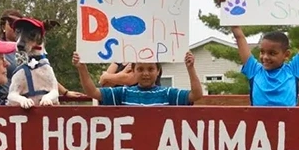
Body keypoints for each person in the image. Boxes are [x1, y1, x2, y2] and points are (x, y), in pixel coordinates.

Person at [215, 0, 299, 106]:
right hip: (259, 125)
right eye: (262, 52)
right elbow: (239, 36)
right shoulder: (254, 70)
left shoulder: (293, 70)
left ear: (286, 54)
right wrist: (227, 6)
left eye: (272, 53)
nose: (265, 57)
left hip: (288, 125)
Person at [0, 8, 90, 103]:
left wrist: (65, 92)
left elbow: (43, 76)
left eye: (31, 34)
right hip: (5, 101)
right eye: (17, 29)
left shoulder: (36, 55)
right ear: (4, 26)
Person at [72, 51, 203, 105]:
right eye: (140, 69)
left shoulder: (168, 93)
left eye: (150, 69)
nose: (145, 73)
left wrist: (190, 68)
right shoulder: (123, 93)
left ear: (158, 71)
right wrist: (82, 68)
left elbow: (196, 95)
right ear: (133, 70)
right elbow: (93, 92)